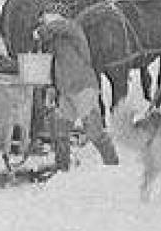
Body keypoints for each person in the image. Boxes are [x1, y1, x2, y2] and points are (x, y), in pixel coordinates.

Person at [33, 12, 119, 171]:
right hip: (66, 92)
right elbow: (52, 67)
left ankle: (113, 166)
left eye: (44, 24)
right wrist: (52, 88)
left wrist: (44, 29)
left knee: (94, 131)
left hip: (83, 88)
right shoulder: (54, 42)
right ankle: (62, 169)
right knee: (60, 132)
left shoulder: (72, 30)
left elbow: (65, 27)